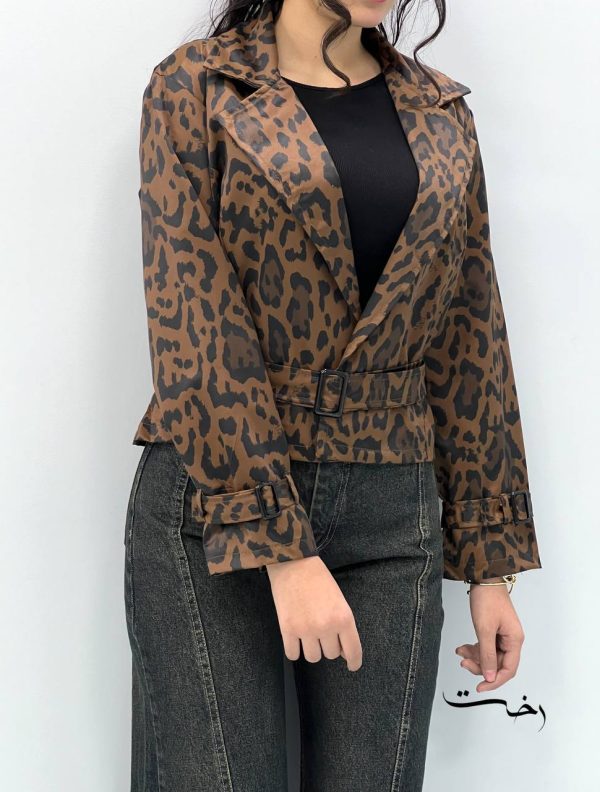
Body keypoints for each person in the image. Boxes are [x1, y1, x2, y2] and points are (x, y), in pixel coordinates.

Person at [123, 0, 542, 789]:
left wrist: (490, 566)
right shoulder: (198, 88)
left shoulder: (441, 112)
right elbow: (196, 326)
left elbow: (470, 332)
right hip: (217, 500)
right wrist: (282, 550)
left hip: (393, 512)